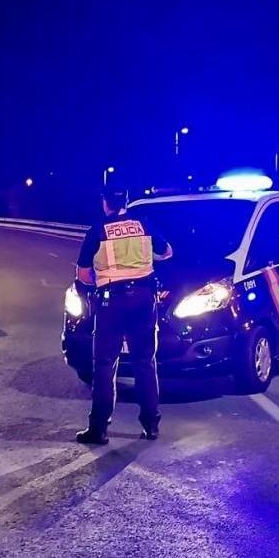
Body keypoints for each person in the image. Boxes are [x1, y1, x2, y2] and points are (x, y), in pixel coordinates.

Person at [74, 187, 172, 445]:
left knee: (105, 365)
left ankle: (99, 429)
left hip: (111, 304)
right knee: (145, 362)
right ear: (126, 202)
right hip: (143, 299)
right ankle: (151, 426)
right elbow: (167, 252)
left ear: (105, 203)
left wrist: (98, 283)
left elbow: (83, 275)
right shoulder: (144, 224)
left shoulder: (97, 230)